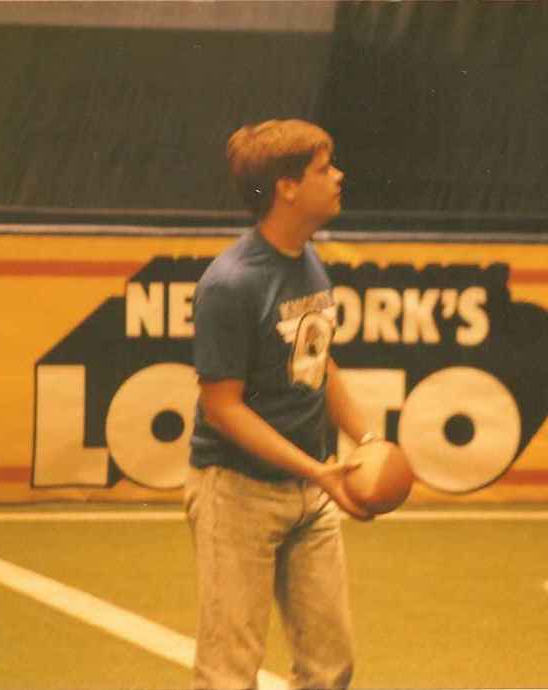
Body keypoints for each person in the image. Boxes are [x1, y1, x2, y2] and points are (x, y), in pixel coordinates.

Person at [184, 119, 378, 690]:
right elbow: (223, 407)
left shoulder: (308, 262)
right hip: (237, 495)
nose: (339, 176)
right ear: (287, 187)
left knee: (330, 665)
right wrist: (320, 469)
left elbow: (318, 363)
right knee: (228, 674)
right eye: (325, 167)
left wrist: (368, 442)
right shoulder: (231, 283)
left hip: (309, 495)